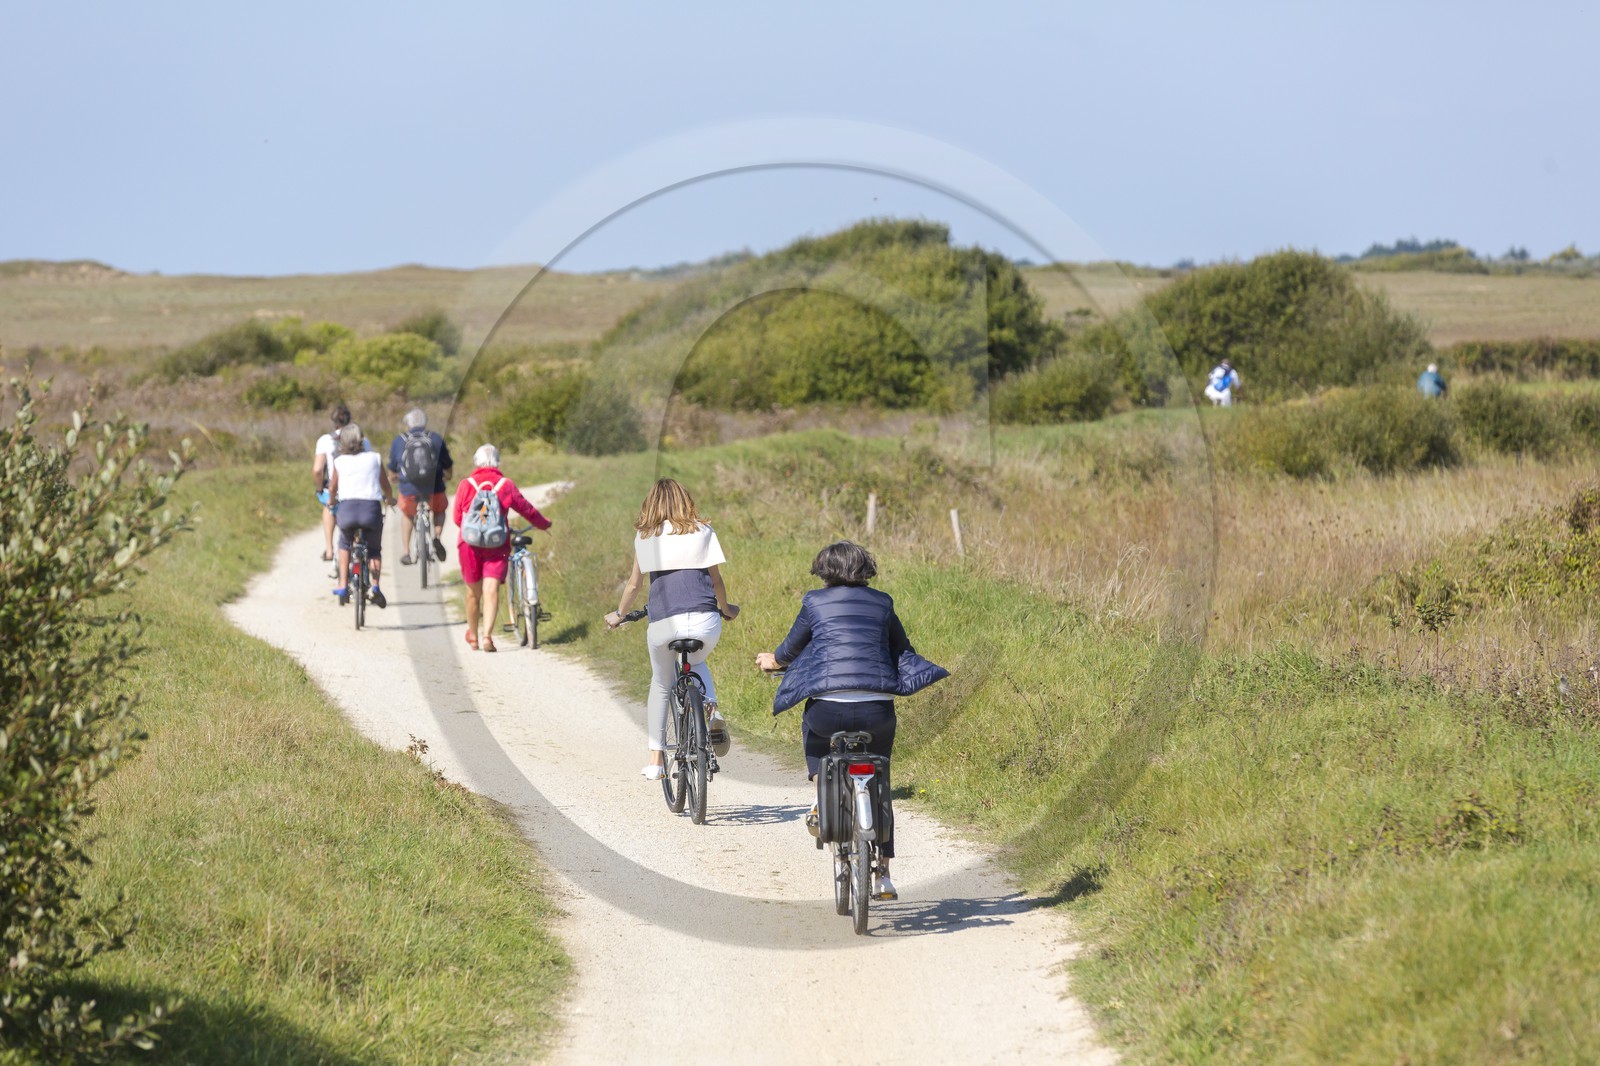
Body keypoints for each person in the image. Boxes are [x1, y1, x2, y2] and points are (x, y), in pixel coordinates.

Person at [754, 541, 924, 902]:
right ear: (865, 569)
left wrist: (772, 662)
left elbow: (789, 651)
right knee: (881, 779)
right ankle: (885, 875)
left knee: (813, 729)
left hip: (828, 711)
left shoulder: (814, 602)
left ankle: (820, 796)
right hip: (877, 711)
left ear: (824, 571)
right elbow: (902, 649)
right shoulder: (883, 602)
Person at [604, 478, 739, 779]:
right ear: (685, 500)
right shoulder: (703, 531)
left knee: (662, 684)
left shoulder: (646, 536)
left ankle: (655, 761)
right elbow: (716, 581)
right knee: (698, 661)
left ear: (651, 505)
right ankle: (713, 712)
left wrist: (619, 614)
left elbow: (634, 585)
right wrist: (727, 609)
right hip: (705, 621)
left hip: (665, 623)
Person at [451, 443, 551, 652]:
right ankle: (487, 636)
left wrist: (476, 529)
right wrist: (544, 524)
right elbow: (527, 509)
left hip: (469, 545)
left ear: (476, 462)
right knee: (491, 589)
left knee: (473, 593)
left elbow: (458, 518)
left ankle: (473, 636)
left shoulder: (466, 484)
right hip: (497, 544)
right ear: (497, 462)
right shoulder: (505, 484)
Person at [328, 423, 395, 608]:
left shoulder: (340, 461)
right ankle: (375, 585)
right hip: (370, 509)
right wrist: (390, 499)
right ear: (361, 440)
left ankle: (343, 584)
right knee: (374, 550)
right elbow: (385, 485)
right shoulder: (374, 458)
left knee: (344, 543)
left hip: (347, 509)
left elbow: (332, 488)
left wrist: (331, 501)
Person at [387, 407, 454, 566]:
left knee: (408, 514)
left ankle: (405, 551)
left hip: (409, 489)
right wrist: (448, 476)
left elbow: (392, 470)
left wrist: (394, 478)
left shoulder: (399, 440)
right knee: (439, 510)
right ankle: (437, 537)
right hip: (434, 488)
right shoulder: (435, 438)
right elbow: (448, 464)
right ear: (425, 423)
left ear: (408, 424)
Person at [312, 403, 354, 563]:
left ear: (333, 421)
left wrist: (319, 488)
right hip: (356, 488)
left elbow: (317, 470)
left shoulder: (325, 440)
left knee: (328, 508)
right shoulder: (360, 438)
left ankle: (329, 550)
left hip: (335, 488)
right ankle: (357, 548)